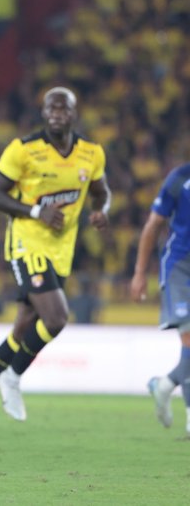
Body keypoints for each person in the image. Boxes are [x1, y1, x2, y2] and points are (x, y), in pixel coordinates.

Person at [0, 87, 109, 437]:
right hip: (27, 243)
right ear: (43, 113)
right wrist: (37, 211)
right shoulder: (23, 150)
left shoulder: (91, 153)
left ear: (73, 113)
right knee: (56, 318)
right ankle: (13, 375)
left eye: (63, 107)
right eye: (50, 108)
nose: (57, 113)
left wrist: (101, 211)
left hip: (61, 250)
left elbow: (102, 192)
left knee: (24, 326)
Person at [130, 161, 190, 437]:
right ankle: (165, 386)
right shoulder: (179, 178)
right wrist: (140, 273)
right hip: (180, 266)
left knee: (188, 346)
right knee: (189, 339)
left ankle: (165, 387)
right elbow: (153, 225)